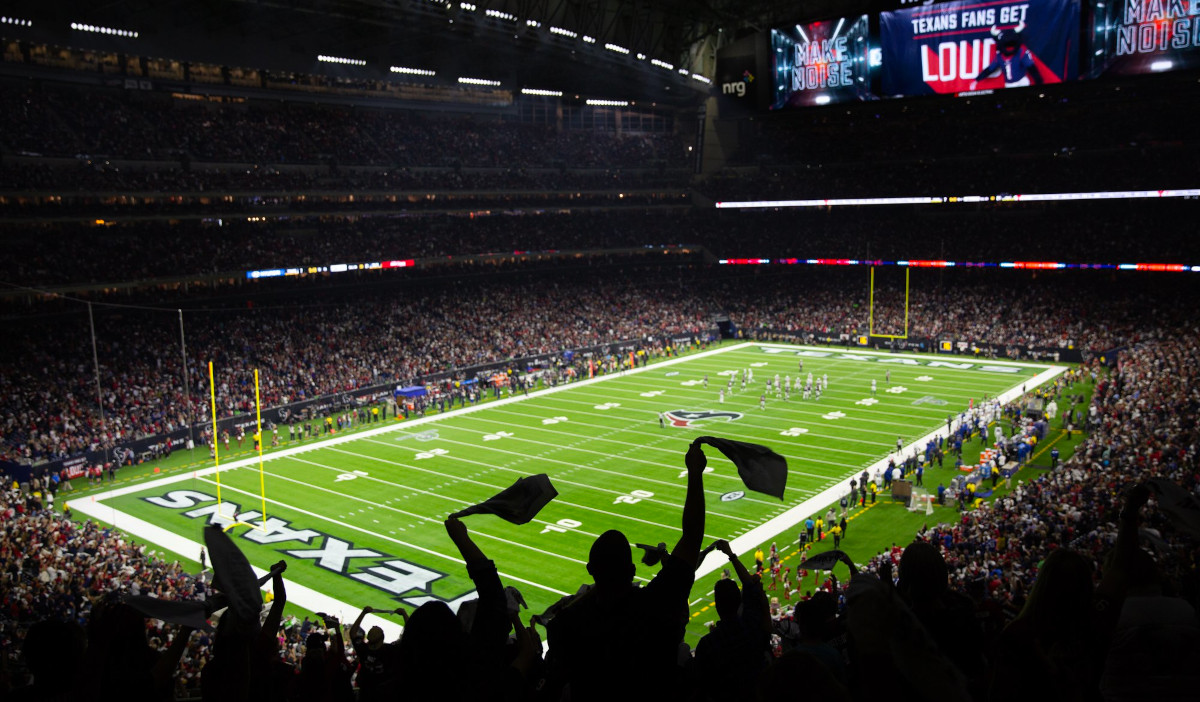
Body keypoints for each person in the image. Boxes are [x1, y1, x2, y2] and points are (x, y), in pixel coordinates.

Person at [545, 440, 708, 702]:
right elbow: (691, 538)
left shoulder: (568, 625)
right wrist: (694, 473)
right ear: (633, 570)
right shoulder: (653, 604)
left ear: (591, 570)